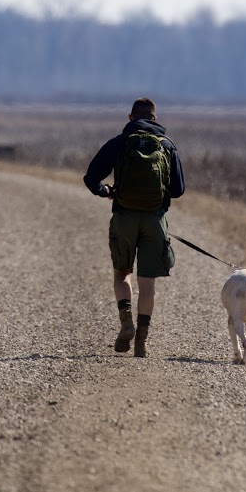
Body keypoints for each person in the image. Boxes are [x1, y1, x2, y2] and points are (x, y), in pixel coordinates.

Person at [83, 97, 185, 358]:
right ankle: (141, 340)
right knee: (147, 282)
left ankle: (125, 319)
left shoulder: (119, 143)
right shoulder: (166, 146)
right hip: (154, 220)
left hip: (124, 216)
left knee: (122, 273)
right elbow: (178, 190)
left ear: (130, 118)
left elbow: (91, 177)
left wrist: (107, 191)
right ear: (155, 118)